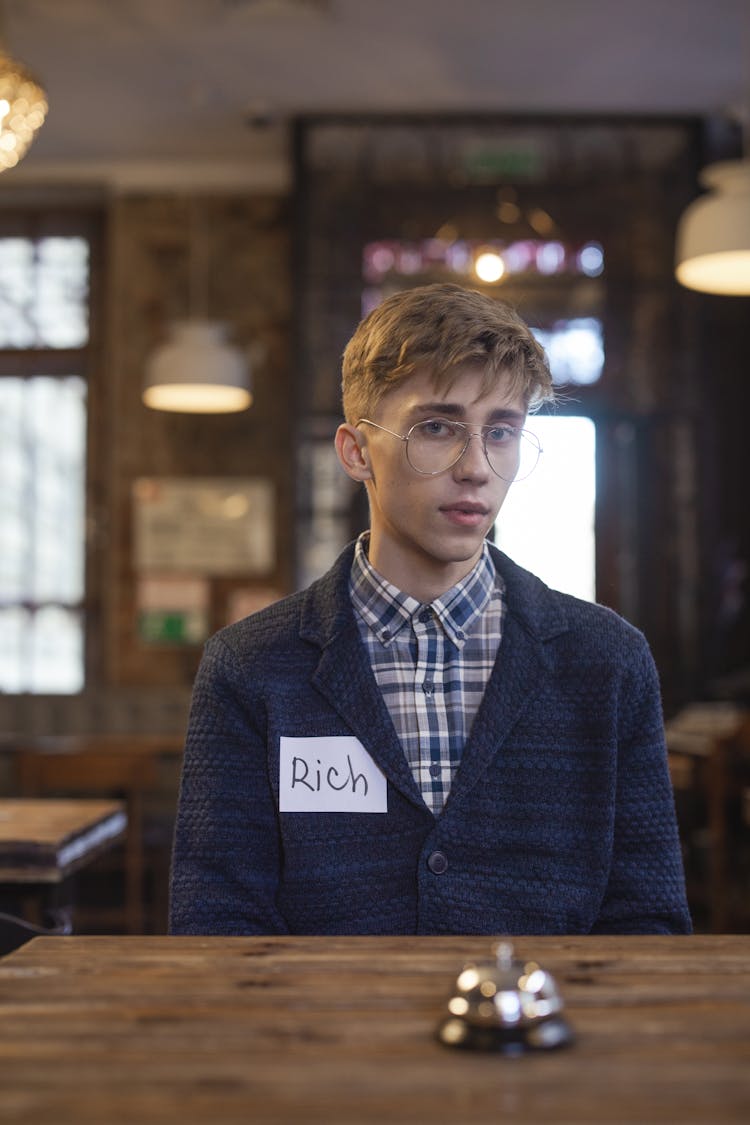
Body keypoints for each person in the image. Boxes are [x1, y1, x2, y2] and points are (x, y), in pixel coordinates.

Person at [169, 282, 691, 936]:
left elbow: (648, 925)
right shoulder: (251, 668)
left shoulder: (607, 662)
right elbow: (217, 924)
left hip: (549, 1035)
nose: (476, 466)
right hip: (326, 1034)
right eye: (438, 427)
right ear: (357, 451)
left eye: (501, 432)